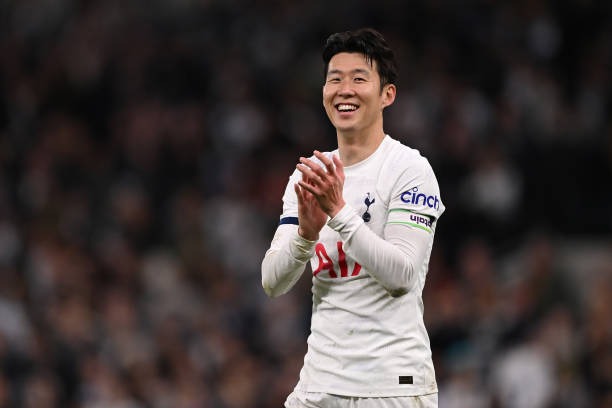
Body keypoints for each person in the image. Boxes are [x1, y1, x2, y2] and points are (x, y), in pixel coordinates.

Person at [261, 28, 444, 408]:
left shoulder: (409, 170)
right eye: (335, 79)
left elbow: (402, 276)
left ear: (387, 94)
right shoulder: (308, 175)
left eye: (359, 79)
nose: (344, 90)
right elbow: (272, 282)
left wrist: (339, 212)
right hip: (319, 385)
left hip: (390, 388)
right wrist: (305, 236)